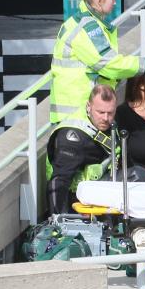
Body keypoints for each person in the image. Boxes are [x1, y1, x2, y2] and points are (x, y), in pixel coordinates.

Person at [50, 0, 145, 123]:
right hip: (79, 117)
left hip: (75, 116)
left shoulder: (80, 23)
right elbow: (109, 64)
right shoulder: (88, 28)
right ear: (100, 0)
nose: (115, 2)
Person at [46, 85, 118, 215]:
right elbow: (59, 182)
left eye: (110, 113)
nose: (106, 118)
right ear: (88, 107)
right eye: (100, 112)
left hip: (102, 194)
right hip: (76, 202)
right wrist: (58, 221)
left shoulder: (110, 126)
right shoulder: (72, 136)